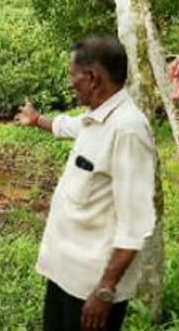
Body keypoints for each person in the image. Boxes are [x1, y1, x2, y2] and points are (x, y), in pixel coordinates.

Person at [16, 35, 158, 331]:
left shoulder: (128, 130)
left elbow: (136, 225)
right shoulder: (97, 117)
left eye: (73, 76)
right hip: (65, 275)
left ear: (92, 78)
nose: (71, 83)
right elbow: (68, 125)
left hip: (92, 288)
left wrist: (105, 290)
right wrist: (37, 119)